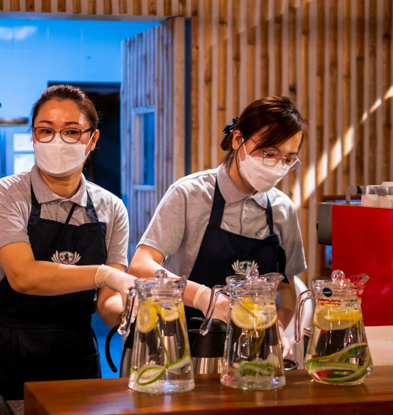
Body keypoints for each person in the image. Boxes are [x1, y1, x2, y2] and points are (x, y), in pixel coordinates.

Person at [0, 85, 134, 399]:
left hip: (77, 362)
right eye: (45, 131)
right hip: (8, 360)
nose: (57, 140)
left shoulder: (112, 208)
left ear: (92, 139)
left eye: (71, 132)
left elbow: (108, 301)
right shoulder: (7, 194)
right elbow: (23, 276)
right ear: (33, 137)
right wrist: (103, 274)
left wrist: (132, 319)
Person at [129, 95, 307, 339]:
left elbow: (286, 287)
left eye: (288, 159)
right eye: (269, 153)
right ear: (237, 140)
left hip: (252, 350)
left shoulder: (282, 209)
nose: (278, 165)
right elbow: (140, 265)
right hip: (185, 342)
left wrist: (278, 328)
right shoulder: (190, 193)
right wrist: (204, 298)